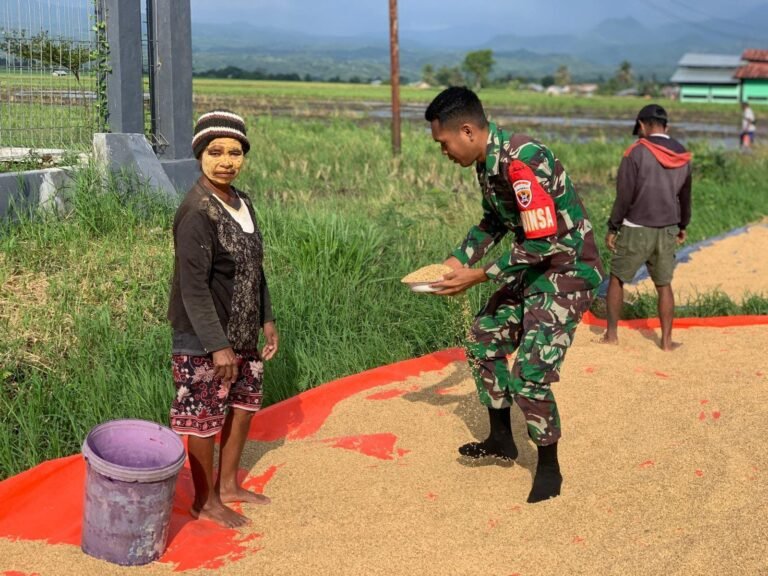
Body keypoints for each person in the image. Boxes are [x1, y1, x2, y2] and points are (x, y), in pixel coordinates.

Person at [426, 87, 604, 503]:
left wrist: (479, 274)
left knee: (529, 375)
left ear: (467, 131)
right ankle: (501, 440)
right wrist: (456, 261)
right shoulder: (488, 163)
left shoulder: (523, 159)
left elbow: (543, 243)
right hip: (532, 264)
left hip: (566, 270)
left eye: (444, 142)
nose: (443, 151)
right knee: (482, 340)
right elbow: (495, 221)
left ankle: (548, 466)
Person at [168, 110, 279, 528]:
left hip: (244, 329)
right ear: (200, 154)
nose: (226, 161)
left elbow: (255, 266)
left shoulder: (242, 201)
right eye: (215, 152)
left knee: (243, 406)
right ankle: (205, 500)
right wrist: (218, 347)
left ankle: (228, 486)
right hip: (204, 337)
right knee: (203, 418)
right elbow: (192, 288)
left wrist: (267, 317)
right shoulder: (197, 211)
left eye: (235, 152)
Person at [602, 104, 692, 351]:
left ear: (642, 125)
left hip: (635, 227)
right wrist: (682, 225)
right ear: (667, 127)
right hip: (667, 228)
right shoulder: (682, 154)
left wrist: (613, 227)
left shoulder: (636, 152)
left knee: (617, 279)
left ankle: (611, 335)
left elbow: (624, 196)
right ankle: (665, 341)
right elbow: (685, 196)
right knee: (664, 285)